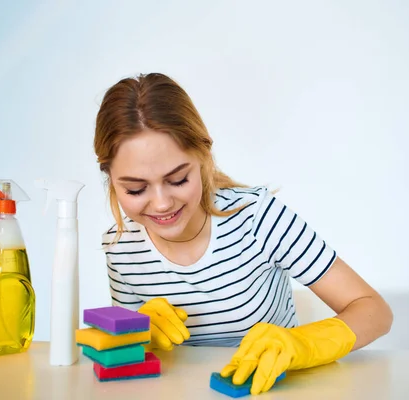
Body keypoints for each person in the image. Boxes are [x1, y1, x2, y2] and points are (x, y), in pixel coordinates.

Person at [93, 73, 393, 395]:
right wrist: (140, 334)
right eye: (136, 189)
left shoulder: (258, 218)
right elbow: (124, 360)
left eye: (178, 180)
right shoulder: (120, 246)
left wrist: (303, 344)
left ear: (204, 156)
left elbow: (374, 310)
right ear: (110, 177)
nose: (162, 203)